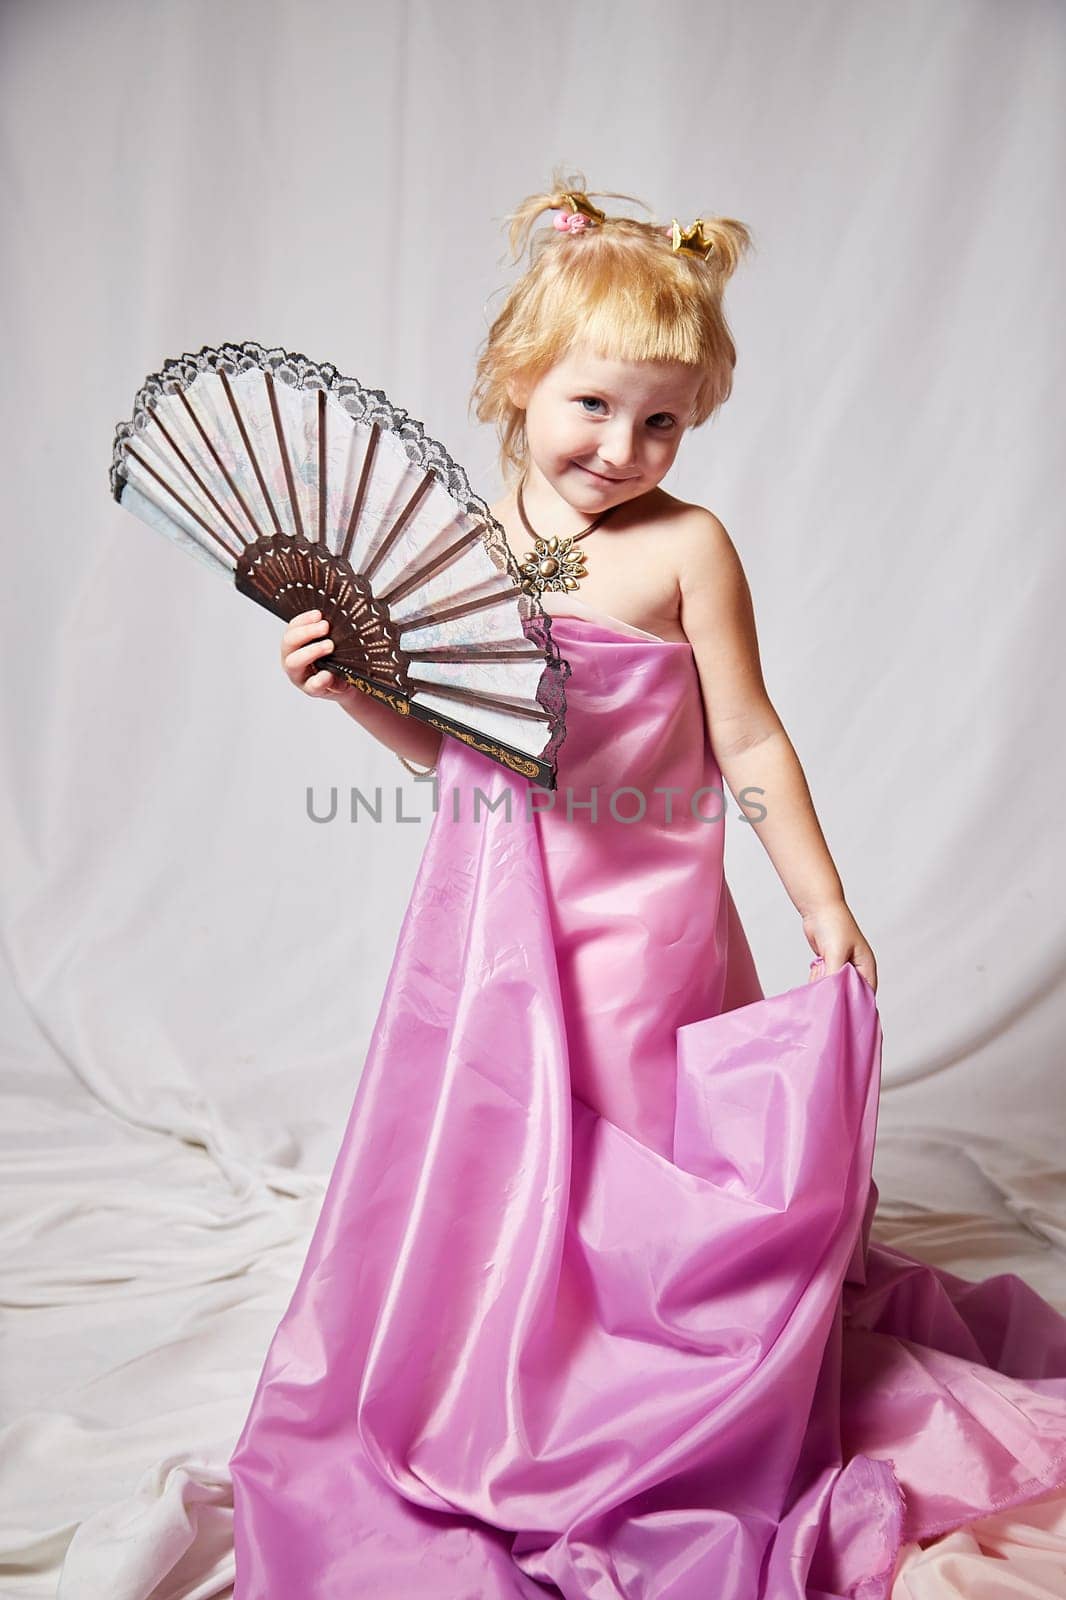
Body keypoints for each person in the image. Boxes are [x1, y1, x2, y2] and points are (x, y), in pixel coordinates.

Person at [228, 173, 1066, 1597]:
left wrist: (819, 902)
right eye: (592, 407)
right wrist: (346, 695)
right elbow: (452, 753)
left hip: (645, 920)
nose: (624, 446)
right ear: (516, 381)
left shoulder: (685, 549)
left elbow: (745, 735)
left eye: (661, 418)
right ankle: (508, 1373)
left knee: (638, 1152)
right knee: (508, 1154)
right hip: (494, 917)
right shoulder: (458, 548)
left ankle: (639, 1368)